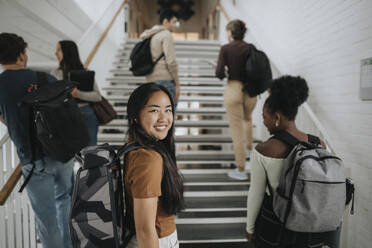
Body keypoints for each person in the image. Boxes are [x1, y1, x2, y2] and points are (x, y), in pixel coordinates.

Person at [0, 33, 74, 248]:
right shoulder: (45, 78)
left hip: (32, 161)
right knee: (65, 204)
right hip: (61, 155)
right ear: (22, 55)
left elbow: (4, 117)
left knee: (46, 219)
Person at [246, 75, 334, 247]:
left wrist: (249, 228)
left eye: (265, 116)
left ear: (277, 117)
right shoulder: (318, 144)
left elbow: (255, 193)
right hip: (313, 228)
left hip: (277, 227)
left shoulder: (264, 149)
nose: (264, 122)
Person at [124, 83, 184, 248]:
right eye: (154, 110)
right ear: (136, 115)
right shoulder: (148, 159)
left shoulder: (134, 145)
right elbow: (145, 229)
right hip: (157, 240)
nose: (164, 118)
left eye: (168, 109)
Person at [216, 19, 257, 180]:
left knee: (236, 130)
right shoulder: (250, 48)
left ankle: (240, 170)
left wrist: (223, 71)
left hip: (234, 88)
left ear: (231, 32)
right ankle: (248, 148)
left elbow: (219, 72)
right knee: (247, 119)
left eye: (227, 31)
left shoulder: (226, 48)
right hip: (250, 91)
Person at [51, 40, 101, 146]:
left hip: (86, 113)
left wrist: (78, 94)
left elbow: (97, 96)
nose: (56, 53)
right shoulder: (55, 74)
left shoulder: (85, 72)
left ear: (67, 52)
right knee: (68, 154)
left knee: (90, 153)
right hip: (65, 115)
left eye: (59, 50)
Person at [139, 9, 180, 107]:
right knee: (168, 117)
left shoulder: (151, 35)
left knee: (155, 115)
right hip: (165, 81)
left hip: (150, 80)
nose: (175, 25)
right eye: (174, 22)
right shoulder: (166, 35)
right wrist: (177, 83)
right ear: (165, 21)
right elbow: (171, 61)